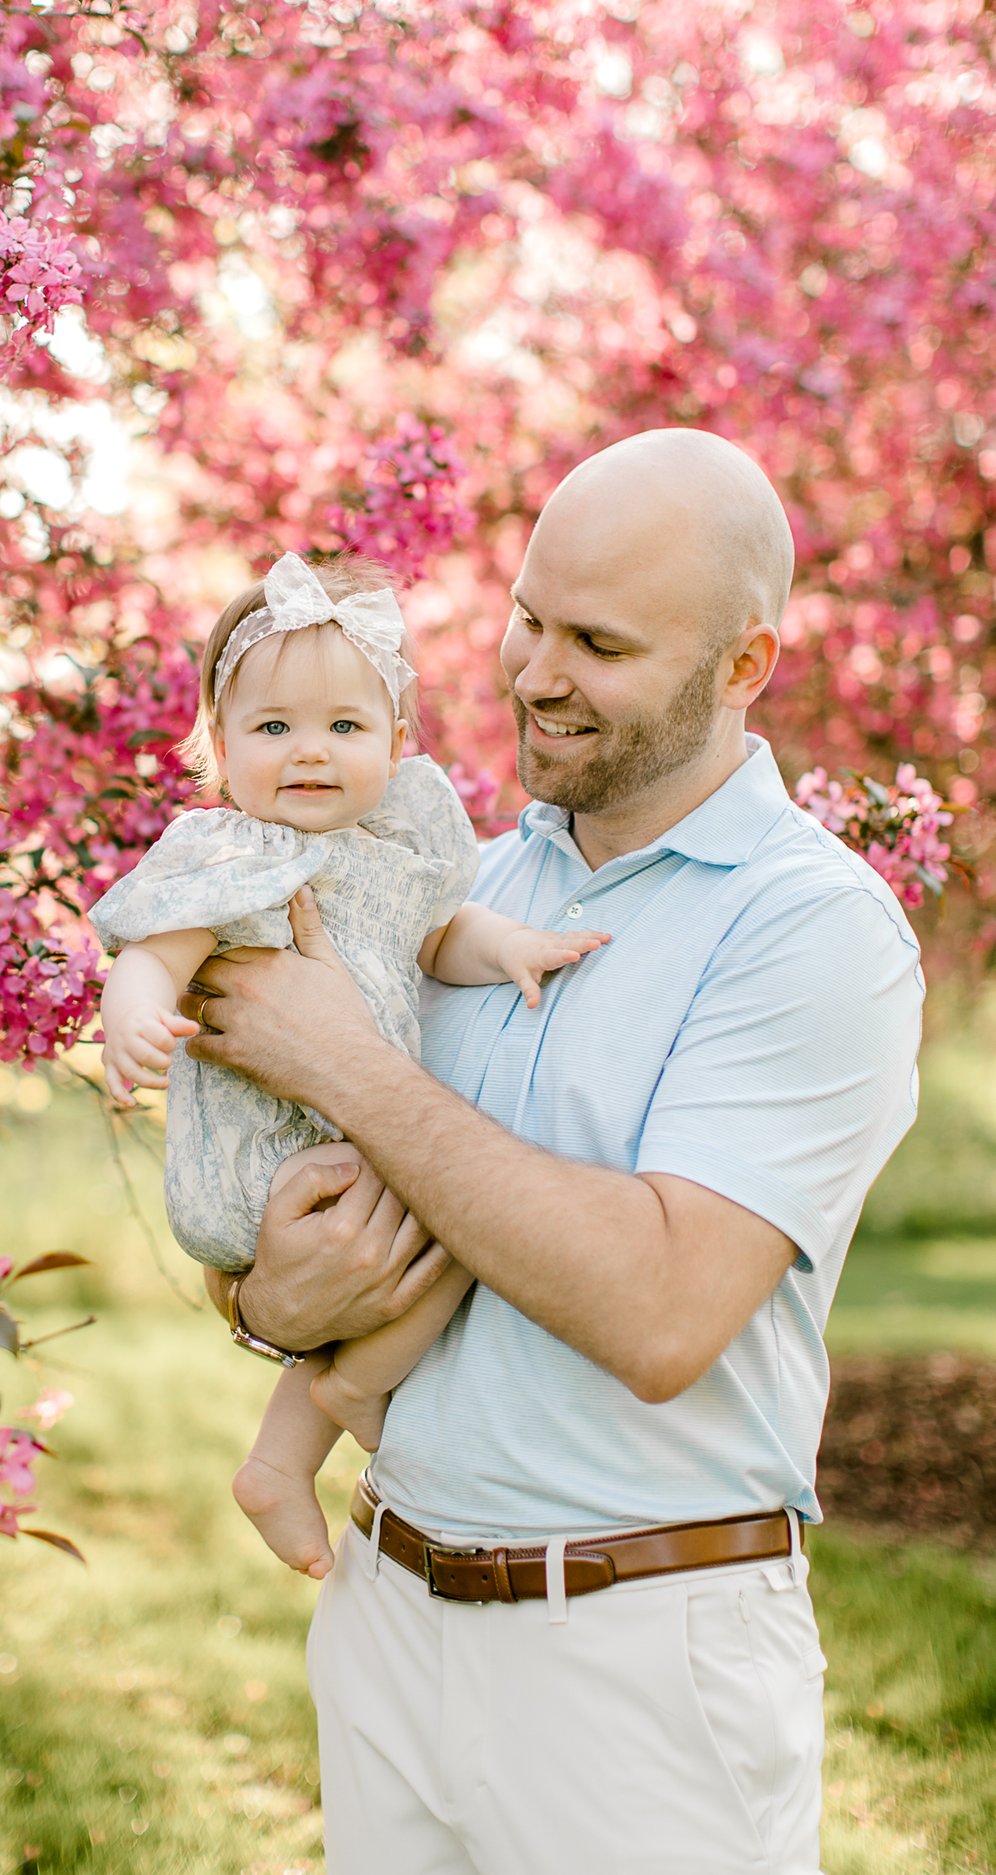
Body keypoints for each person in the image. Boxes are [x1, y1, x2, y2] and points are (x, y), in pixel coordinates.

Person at [186, 429, 923, 1874]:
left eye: (598, 641)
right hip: (392, 1612)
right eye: (529, 616)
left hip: (639, 1664)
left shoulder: (813, 927)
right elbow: (295, 1193)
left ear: (744, 666)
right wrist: (267, 1301)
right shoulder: (464, 878)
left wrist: (340, 1052)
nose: (534, 671)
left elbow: (661, 1310)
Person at [92, 551, 605, 1578]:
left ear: (394, 741)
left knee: (468, 1215)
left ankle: (284, 1460)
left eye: (343, 727)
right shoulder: (235, 858)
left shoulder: (388, 852)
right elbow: (158, 951)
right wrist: (136, 1013)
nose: (309, 753)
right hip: (268, 1165)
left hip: (338, 1157)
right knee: (471, 1216)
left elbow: (436, 939)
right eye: (272, 729)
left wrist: (508, 949)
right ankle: (345, 1398)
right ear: (222, 749)